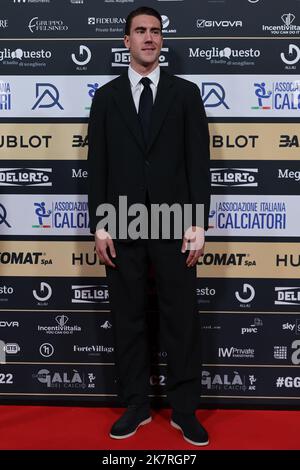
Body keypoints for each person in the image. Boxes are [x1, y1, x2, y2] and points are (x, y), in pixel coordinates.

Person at [88, 6, 211, 446]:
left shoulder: (186, 94)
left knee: (181, 319)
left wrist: (198, 221)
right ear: (126, 41)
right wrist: (100, 224)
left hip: (175, 223)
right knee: (128, 318)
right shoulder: (106, 97)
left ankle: (184, 410)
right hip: (120, 221)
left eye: (155, 31)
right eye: (140, 31)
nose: (148, 38)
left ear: (162, 40)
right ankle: (136, 405)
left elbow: (199, 163)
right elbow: (97, 164)